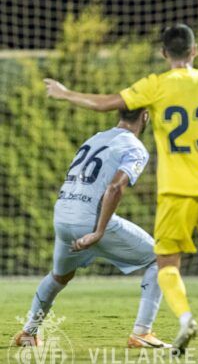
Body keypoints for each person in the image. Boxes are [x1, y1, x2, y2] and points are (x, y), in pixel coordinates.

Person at [44, 24, 198, 359]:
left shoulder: (155, 86)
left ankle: (184, 318)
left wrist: (66, 93)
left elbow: (106, 104)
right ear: (194, 51)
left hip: (174, 191)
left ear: (164, 54)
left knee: (167, 260)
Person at [13, 108, 169, 349]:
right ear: (145, 116)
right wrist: (98, 231)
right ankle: (142, 333)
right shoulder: (135, 147)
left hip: (64, 215)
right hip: (89, 220)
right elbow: (115, 188)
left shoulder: (96, 138)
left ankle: (28, 332)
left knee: (60, 275)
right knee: (160, 258)